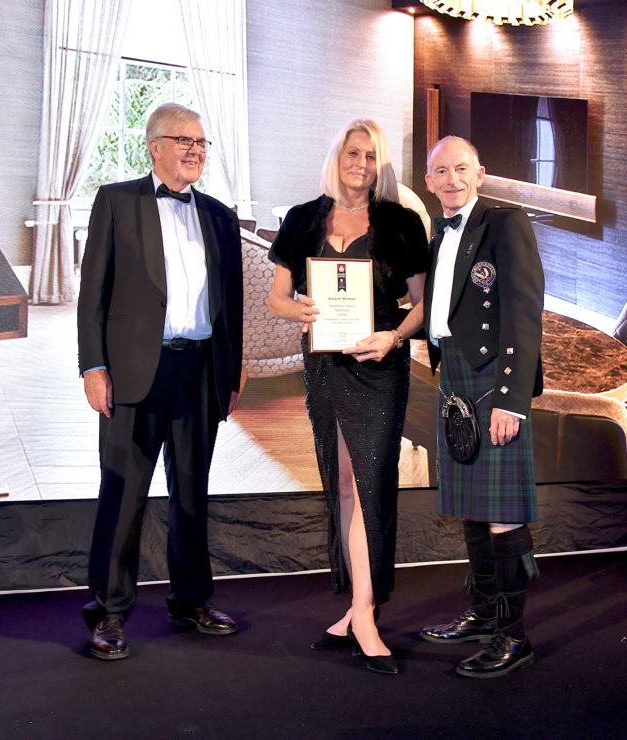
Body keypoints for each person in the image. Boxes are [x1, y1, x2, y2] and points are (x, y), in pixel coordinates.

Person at [76, 102, 243, 660]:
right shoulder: (116, 201)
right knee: (123, 495)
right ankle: (108, 612)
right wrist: (93, 366)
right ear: (153, 145)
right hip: (132, 374)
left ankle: (190, 599)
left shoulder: (220, 215)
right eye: (183, 140)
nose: (195, 150)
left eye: (201, 142)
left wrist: (232, 369)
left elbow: (232, 305)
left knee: (192, 492)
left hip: (200, 372)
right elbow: (92, 295)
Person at [267, 119, 429, 675]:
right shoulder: (303, 218)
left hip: (378, 366)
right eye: (352, 152)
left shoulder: (400, 222)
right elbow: (278, 299)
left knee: (372, 483)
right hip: (323, 366)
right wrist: (306, 310)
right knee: (339, 482)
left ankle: (366, 611)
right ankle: (356, 604)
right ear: (337, 155)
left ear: (380, 165)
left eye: (371, 156)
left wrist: (394, 336)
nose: (360, 163)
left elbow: (421, 306)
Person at [418, 136, 544, 678]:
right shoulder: (438, 231)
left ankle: (512, 637)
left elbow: (523, 309)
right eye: (441, 171)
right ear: (429, 181)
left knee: (501, 512)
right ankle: (481, 613)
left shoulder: (504, 222)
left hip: (495, 377)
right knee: (471, 506)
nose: (452, 180)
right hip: (455, 374)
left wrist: (511, 400)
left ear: (481, 172)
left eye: (461, 169)